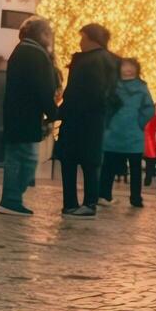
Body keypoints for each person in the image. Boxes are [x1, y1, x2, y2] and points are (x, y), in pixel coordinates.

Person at [0, 18, 59, 216]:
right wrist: (52, 112)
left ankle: (11, 198)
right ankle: (12, 199)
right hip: (26, 114)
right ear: (42, 34)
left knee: (17, 157)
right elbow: (42, 87)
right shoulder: (34, 54)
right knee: (27, 159)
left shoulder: (22, 50)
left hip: (17, 113)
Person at [55, 23, 118, 218]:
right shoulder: (102, 59)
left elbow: (82, 92)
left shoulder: (93, 61)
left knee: (79, 161)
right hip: (88, 120)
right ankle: (76, 203)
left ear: (92, 39)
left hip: (82, 120)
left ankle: (84, 203)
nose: (80, 41)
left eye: (83, 38)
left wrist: (60, 112)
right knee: (80, 161)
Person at [99, 58, 155, 208]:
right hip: (114, 133)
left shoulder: (142, 88)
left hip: (132, 133)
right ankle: (104, 195)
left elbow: (149, 108)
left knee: (135, 168)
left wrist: (139, 123)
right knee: (108, 166)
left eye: (132, 66)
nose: (128, 69)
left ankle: (136, 198)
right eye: (125, 66)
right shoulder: (111, 86)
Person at [144, 100, 156, 187]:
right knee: (151, 160)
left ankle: (155, 180)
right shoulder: (150, 118)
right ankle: (148, 179)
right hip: (150, 145)